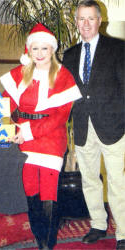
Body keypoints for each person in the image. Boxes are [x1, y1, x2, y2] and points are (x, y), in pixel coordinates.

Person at [0, 23, 82, 250]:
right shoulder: (19, 74)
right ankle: (39, 237)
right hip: (24, 140)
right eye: (35, 49)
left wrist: (27, 132)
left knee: (48, 190)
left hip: (51, 140)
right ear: (29, 49)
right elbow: (6, 104)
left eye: (44, 49)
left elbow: (59, 117)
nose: (40, 54)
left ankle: (48, 243)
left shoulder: (63, 76)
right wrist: (12, 130)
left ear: (52, 50)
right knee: (30, 189)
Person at [62, 1, 125, 250]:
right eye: (81, 19)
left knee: (117, 182)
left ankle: (122, 232)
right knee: (89, 180)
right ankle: (98, 224)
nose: (86, 24)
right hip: (83, 128)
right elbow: (64, 95)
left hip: (113, 128)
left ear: (100, 21)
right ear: (76, 22)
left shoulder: (118, 49)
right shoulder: (70, 55)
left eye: (91, 18)